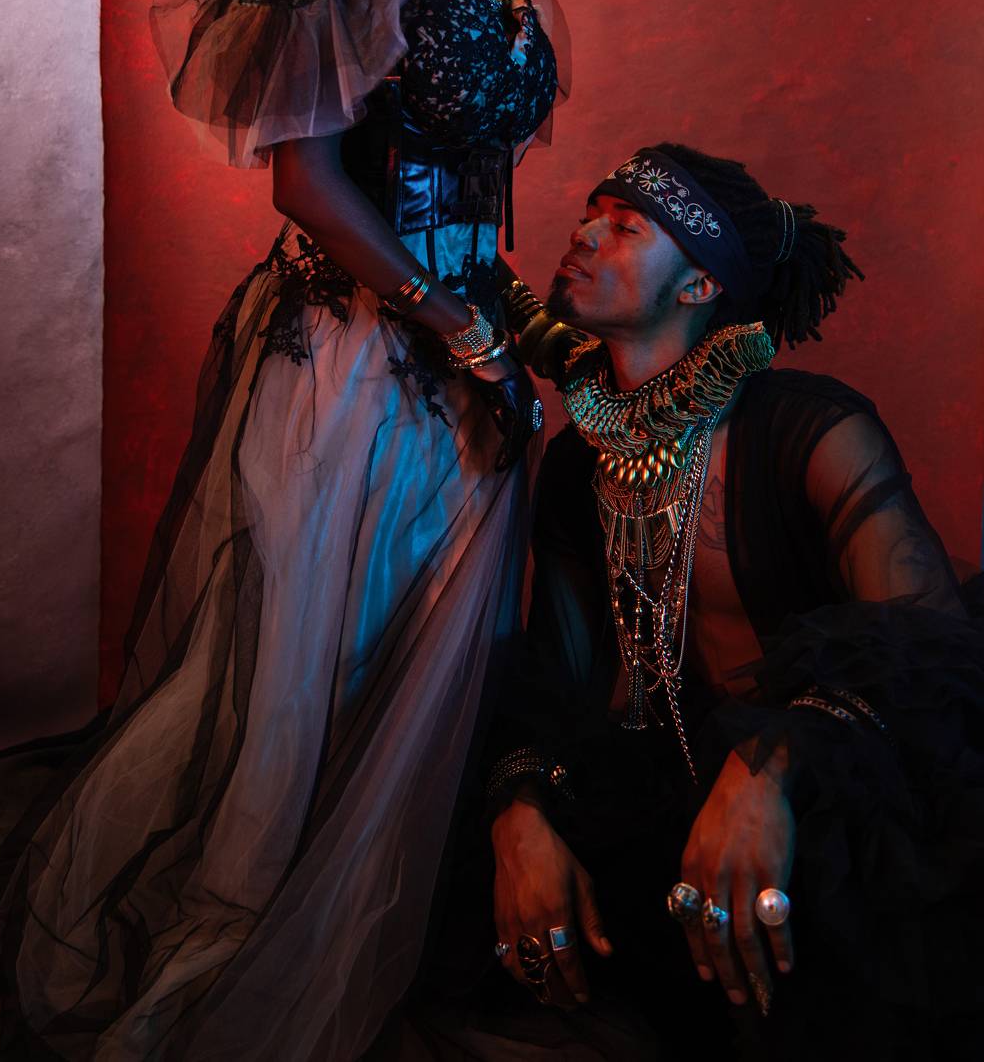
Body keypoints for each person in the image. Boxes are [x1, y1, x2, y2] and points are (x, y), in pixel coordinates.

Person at [0, 0, 622, 1060]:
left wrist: (506, 333)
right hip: (350, 367)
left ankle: (364, 957)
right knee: (305, 690)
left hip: (460, 364)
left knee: (410, 694)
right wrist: (450, 321)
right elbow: (305, 181)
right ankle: (251, 977)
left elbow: (471, 182)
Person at [389, 143, 984, 1061]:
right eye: (591, 214)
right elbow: (557, 676)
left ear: (700, 285)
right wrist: (520, 813)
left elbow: (930, 654)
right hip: (650, 811)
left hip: (837, 817)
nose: (586, 233)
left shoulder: (813, 429)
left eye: (626, 226)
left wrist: (768, 763)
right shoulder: (577, 466)